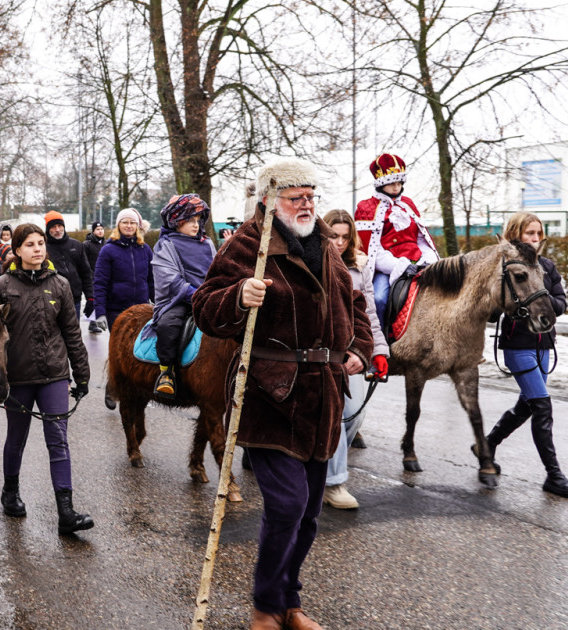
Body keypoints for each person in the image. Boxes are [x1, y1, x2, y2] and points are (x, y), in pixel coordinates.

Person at [192, 158, 372, 630]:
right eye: (297, 196)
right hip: (268, 395)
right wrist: (238, 296)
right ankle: (266, 607)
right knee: (288, 504)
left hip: (323, 394)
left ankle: (290, 602)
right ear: (269, 200)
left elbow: (353, 304)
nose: (307, 203)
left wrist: (358, 347)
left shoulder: (325, 246)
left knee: (309, 512)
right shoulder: (247, 243)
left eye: (311, 195)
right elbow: (206, 305)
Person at [0, 223, 94, 535]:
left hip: (54, 375)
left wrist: (82, 374)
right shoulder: (0, 286)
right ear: (17, 250)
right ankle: (10, 493)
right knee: (16, 440)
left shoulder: (59, 284)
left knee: (58, 441)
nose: (38, 249)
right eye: (30, 244)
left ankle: (66, 512)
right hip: (17, 379)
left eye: (41, 243)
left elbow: (73, 334)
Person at [482, 211, 568, 499]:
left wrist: (540, 295)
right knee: (542, 406)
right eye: (529, 234)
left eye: (539, 233)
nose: (536, 239)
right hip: (517, 346)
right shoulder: (506, 267)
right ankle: (553, 475)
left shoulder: (547, 267)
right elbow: (490, 312)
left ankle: (488, 444)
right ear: (516, 234)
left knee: (527, 406)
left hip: (544, 346)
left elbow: (561, 303)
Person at [321, 209, 389, 510]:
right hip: (324, 353)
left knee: (354, 416)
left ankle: (323, 467)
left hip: (356, 352)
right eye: (334, 236)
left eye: (345, 237)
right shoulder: (314, 264)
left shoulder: (359, 268)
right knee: (337, 416)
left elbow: (370, 314)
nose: (339, 242)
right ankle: (333, 484)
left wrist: (379, 351)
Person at [354, 153, 439, 327]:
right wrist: (399, 265)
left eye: (399, 183)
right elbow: (372, 249)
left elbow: (421, 239)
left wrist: (428, 261)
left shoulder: (408, 204)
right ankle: (380, 343)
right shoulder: (366, 208)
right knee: (378, 299)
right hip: (386, 268)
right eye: (392, 183)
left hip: (418, 261)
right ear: (381, 183)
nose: (396, 187)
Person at [150, 194, 216, 398]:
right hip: (178, 300)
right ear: (176, 221)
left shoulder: (208, 243)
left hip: (208, 297)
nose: (195, 225)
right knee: (168, 325)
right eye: (190, 221)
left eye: (198, 221)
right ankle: (166, 371)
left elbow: (217, 270)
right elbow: (169, 279)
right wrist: (197, 295)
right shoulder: (166, 245)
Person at [93, 208, 154, 408]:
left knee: (139, 351)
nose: (129, 225)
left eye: (132, 223)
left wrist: (157, 302)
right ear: (118, 225)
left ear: (138, 226)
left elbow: (152, 279)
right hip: (115, 310)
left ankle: (135, 390)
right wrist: (100, 312)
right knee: (120, 352)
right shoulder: (108, 250)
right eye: (125, 222)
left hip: (142, 309)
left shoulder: (145, 249)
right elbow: (100, 282)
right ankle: (112, 388)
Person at [43, 211, 94, 320]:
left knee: (73, 334)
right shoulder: (43, 249)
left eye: (60, 226)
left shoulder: (77, 245)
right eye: (53, 227)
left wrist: (90, 297)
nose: (57, 230)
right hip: (52, 302)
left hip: (74, 300)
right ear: (48, 229)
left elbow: (86, 273)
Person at [83, 222, 105, 333]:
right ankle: (92, 323)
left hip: (103, 277)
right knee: (93, 300)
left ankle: (96, 320)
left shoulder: (105, 244)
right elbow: (84, 261)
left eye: (102, 229)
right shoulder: (87, 245)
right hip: (92, 277)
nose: (100, 231)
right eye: (98, 229)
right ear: (93, 231)